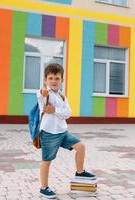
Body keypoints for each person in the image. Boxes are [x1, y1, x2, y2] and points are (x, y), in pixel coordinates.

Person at [37, 63, 95, 198]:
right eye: (50, 78)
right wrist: (43, 93)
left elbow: (68, 113)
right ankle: (44, 187)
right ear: (46, 80)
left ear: (62, 80)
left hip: (63, 132)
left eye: (57, 78)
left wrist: (55, 110)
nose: (54, 81)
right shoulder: (45, 94)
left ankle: (80, 172)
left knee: (80, 147)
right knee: (47, 160)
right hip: (49, 133)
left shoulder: (63, 96)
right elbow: (41, 94)